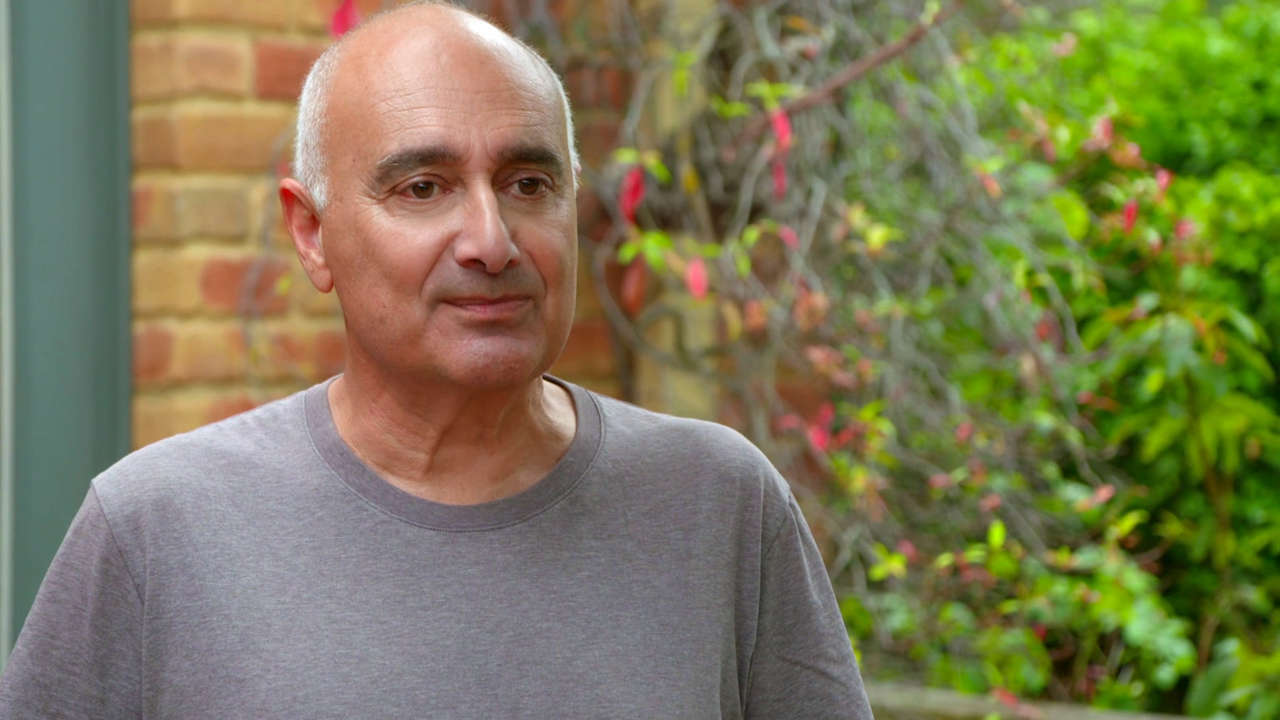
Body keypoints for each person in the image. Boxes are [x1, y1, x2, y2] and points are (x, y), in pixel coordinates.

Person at [0, 3, 874, 718]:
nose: (491, 241)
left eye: (529, 184)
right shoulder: (157, 530)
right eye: (423, 188)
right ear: (312, 234)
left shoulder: (717, 507)